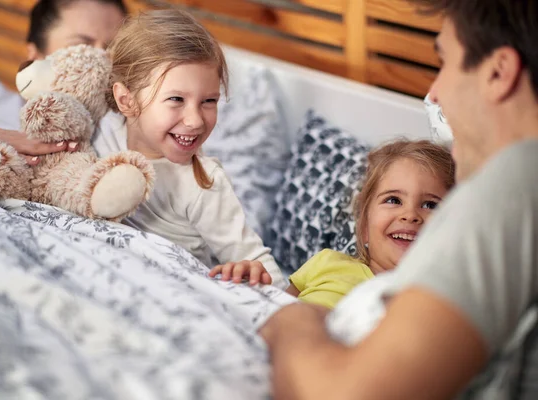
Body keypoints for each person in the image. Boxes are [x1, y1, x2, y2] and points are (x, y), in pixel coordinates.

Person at [260, 0, 538, 398]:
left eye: (444, 63)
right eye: (392, 200)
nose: (435, 93)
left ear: (498, 73)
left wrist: (293, 324)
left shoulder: (516, 181)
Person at [95, 10, 286, 289]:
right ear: (126, 100)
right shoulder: (102, 131)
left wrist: (256, 273)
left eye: (209, 101)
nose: (196, 120)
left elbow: (255, 261)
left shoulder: (203, 183)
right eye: (176, 99)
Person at [0, 0, 127, 165]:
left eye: (112, 49)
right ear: (35, 55)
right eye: (81, 45)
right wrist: (1, 138)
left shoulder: (122, 134)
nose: (100, 58)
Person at [286, 139, 454, 309]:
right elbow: (272, 310)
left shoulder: (435, 305)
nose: (410, 215)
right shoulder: (327, 262)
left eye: (431, 205)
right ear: (364, 226)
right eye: (394, 200)